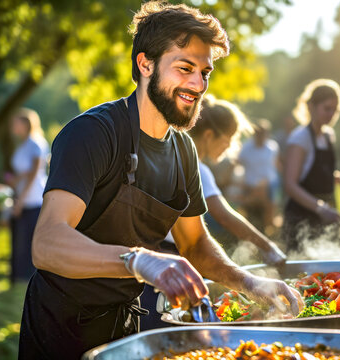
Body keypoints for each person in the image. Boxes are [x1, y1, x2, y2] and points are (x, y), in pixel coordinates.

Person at [18, 2, 303, 359]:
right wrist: (140, 261)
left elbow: (195, 245)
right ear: (145, 64)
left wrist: (248, 282)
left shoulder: (184, 151)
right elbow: (46, 244)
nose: (198, 85)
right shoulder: (93, 134)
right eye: (185, 68)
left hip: (127, 328)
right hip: (60, 328)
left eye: (205, 72)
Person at [190, 96, 286, 265]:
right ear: (208, 135)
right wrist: (268, 247)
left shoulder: (183, 161)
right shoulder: (197, 169)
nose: (229, 147)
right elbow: (225, 217)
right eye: (228, 140)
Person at [283, 79, 340, 252]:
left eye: (335, 110)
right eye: (327, 108)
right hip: (302, 219)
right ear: (311, 107)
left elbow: (320, 171)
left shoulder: (328, 135)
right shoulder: (299, 138)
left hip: (327, 215)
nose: (331, 115)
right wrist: (320, 208)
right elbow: (290, 185)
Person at [7, 108, 49, 283]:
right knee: (18, 239)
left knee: (29, 240)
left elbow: (34, 172)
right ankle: (17, 276)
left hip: (33, 200)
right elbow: (26, 171)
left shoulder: (36, 143)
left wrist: (21, 200)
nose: (12, 125)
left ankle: (29, 277)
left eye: (16, 122)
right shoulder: (23, 144)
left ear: (25, 124)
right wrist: (16, 180)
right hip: (21, 199)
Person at [238, 119, 280, 233]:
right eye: (259, 133)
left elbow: (274, 165)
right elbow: (238, 163)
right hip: (249, 184)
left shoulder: (272, 147)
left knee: (269, 200)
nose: (261, 136)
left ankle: (269, 226)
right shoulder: (246, 148)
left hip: (268, 183)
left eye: (263, 134)